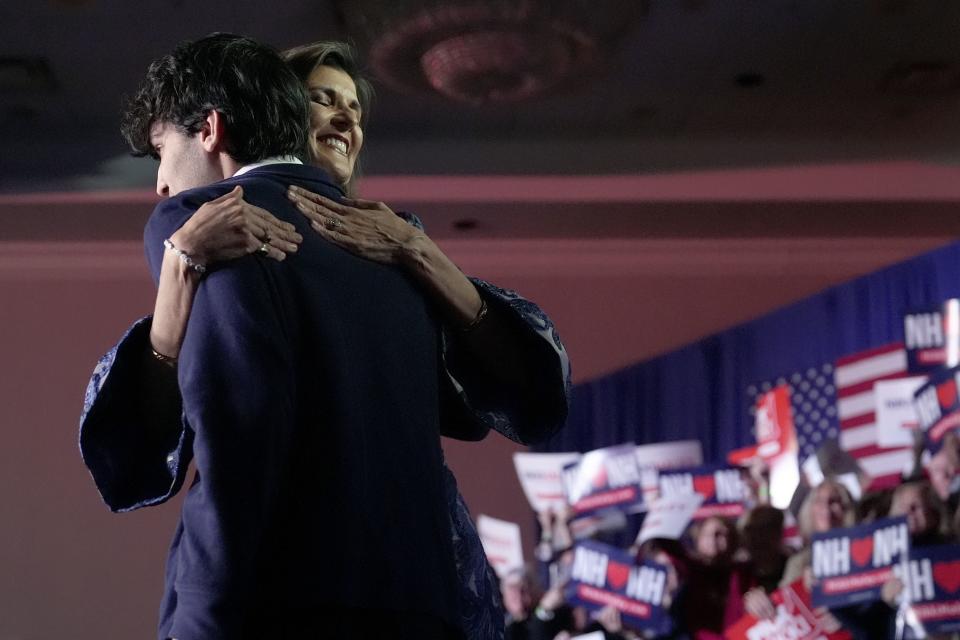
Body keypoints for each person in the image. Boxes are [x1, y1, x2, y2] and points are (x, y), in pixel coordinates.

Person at [79, 37, 571, 640]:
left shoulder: (376, 238)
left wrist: (424, 256)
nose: (346, 119)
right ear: (278, 111)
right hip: (420, 599)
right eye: (321, 99)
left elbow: (238, 436)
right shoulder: (238, 231)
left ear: (212, 128)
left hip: (290, 595)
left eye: (355, 108)